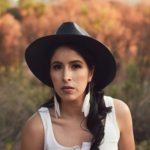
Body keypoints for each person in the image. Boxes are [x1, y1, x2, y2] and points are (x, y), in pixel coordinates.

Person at [21, 22, 135, 150]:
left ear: (90, 72)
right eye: (57, 67)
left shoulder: (118, 113)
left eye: (75, 66)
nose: (65, 77)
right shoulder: (38, 127)